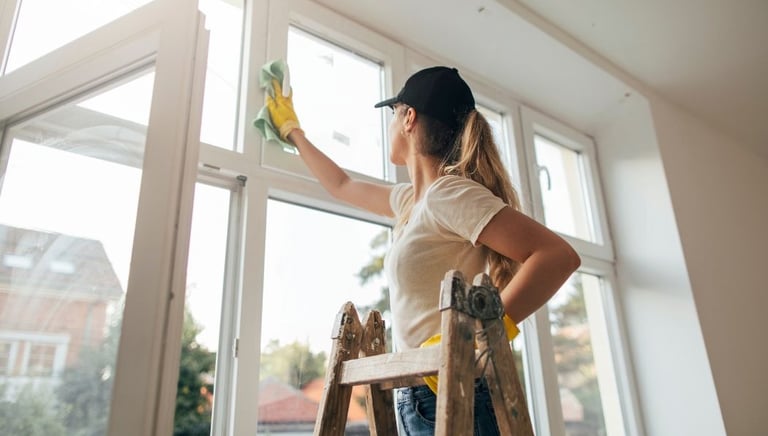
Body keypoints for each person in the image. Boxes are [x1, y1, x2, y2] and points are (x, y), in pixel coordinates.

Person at [266, 65, 581, 435]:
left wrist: (479, 337)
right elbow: (342, 184)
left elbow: (557, 256)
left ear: (408, 117)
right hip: (419, 395)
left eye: (392, 114)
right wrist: (293, 131)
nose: (389, 124)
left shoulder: (450, 194)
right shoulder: (411, 203)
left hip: (456, 391)